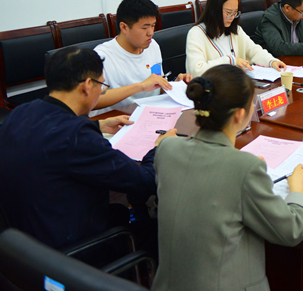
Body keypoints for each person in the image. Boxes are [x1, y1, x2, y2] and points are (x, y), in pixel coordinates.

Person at [152, 65, 303, 291]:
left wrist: (240, 165)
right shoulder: (245, 168)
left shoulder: (167, 149)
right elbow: (290, 231)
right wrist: (297, 190)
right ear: (240, 114)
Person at [0, 48, 174, 250]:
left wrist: (99, 125)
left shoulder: (21, 112)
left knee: (119, 212)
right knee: (162, 232)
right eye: (102, 86)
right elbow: (144, 181)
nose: (101, 92)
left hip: (26, 240)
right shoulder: (77, 137)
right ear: (87, 85)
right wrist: (159, 147)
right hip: (73, 250)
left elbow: (51, 132)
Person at [93, 0, 191, 114]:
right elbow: (91, 101)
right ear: (124, 27)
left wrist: (174, 85)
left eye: (153, 25)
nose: (151, 33)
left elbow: (156, 88)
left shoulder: (153, 46)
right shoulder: (102, 56)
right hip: (118, 120)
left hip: (152, 114)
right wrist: (140, 86)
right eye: (145, 28)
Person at [186, 0, 286, 77]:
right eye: (228, 12)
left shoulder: (235, 30)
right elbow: (196, 71)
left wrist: (271, 61)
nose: (232, 17)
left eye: (235, 12)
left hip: (238, 84)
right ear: (214, 10)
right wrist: (230, 60)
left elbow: (254, 51)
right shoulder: (196, 33)